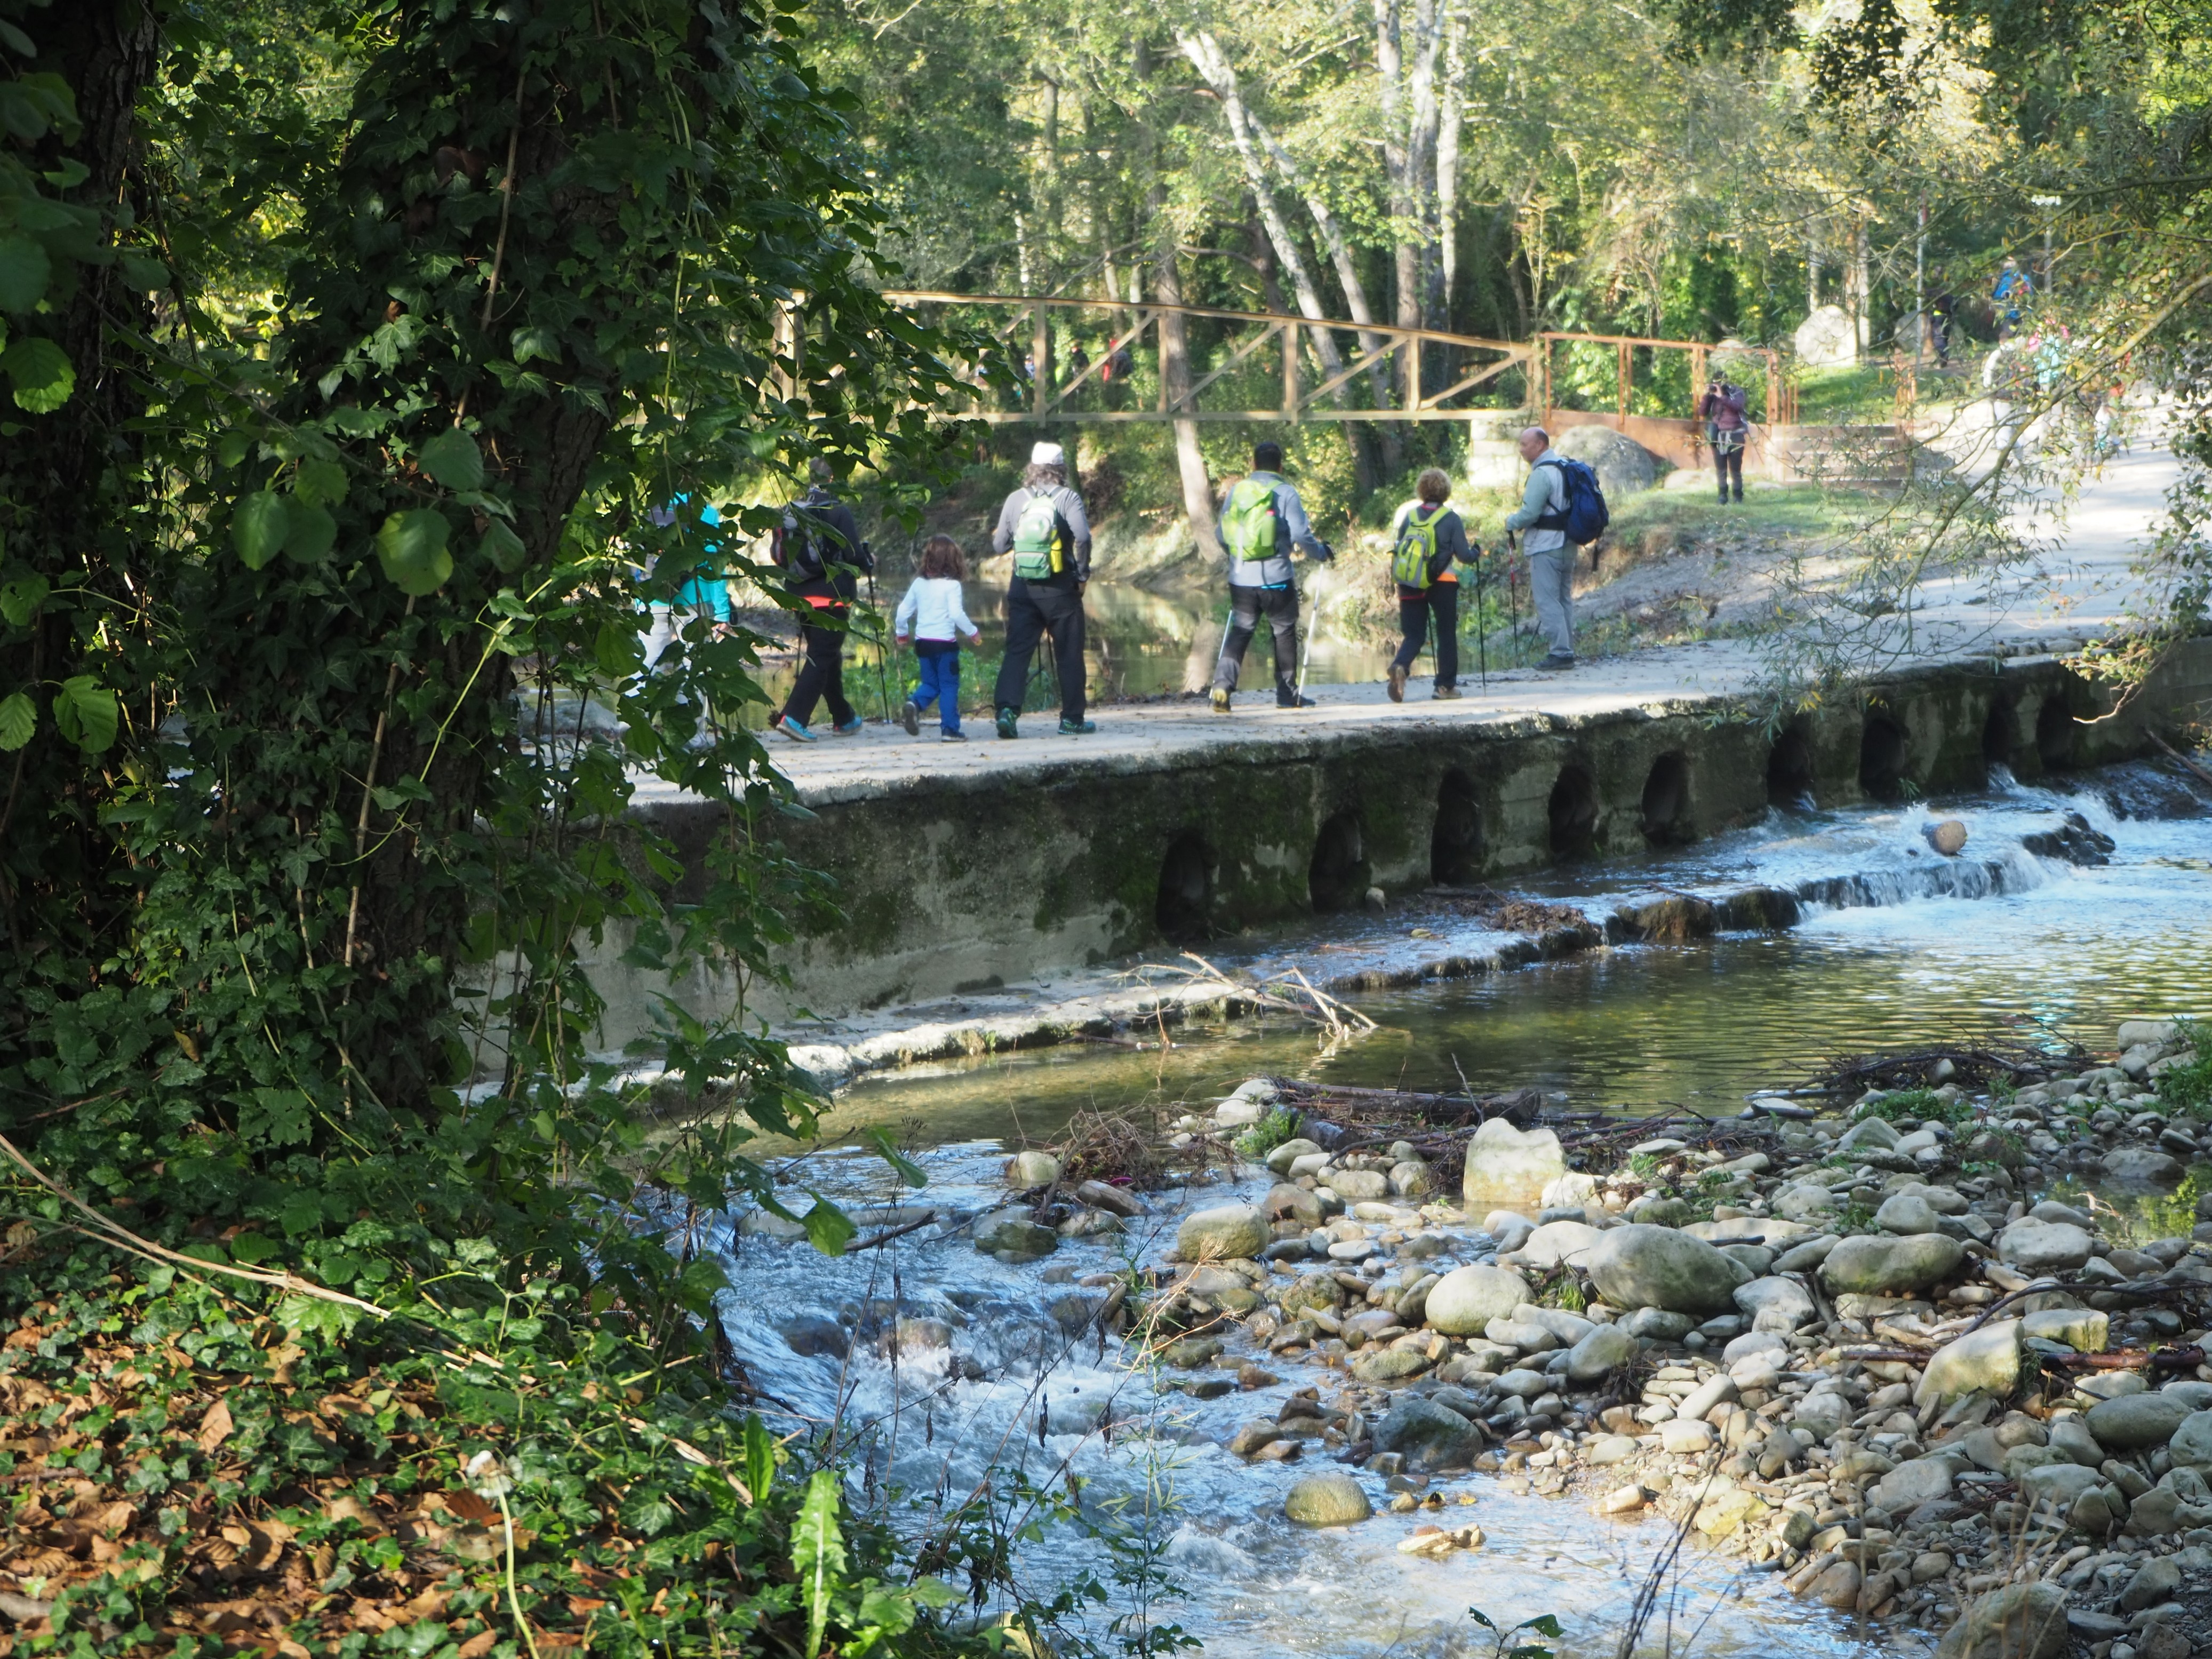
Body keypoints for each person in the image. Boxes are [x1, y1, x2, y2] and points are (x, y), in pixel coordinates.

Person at [1209, 440, 1334, 713]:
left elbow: (1221, 533)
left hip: (1241, 579)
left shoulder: (1238, 491)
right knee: (1284, 632)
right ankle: (1287, 695)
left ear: (1253, 464)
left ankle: (1222, 686)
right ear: (1280, 467)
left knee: (1241, 630)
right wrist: (1321, 553)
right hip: (1277, 579)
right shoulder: (1287, 493)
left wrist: (1236, 557)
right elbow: (1301, 535)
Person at [990, 441, 1093, 737]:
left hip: (1022, 588)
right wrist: (1082, 575)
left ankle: (1007, 712)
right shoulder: (1068, 498)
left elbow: (999, 545)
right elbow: (1084, 538)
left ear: (1032, 469)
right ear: (1062, 469)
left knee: (1017, 652)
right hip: (1060, 589)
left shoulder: (1016, 499)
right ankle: (1072, 720)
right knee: (1069, 654)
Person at [772, 460, 871, 742]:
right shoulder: (837, 510)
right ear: (833, 477)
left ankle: (844, 718)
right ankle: (794, 718)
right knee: (822, 656)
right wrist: (869, 560)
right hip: (832, 596)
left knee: (828, 656)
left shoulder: (792, 511)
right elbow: (853, 555)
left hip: (799, 596)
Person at [1385, 468, 1472, 703]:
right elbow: (1464, 555)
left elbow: (1400, 548)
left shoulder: (1410, 517)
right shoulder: (1451, 518)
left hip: (1410, 582)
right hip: (1442, 583)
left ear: (1421, 490)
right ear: (1446, 491)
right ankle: (1445, 687)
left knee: (1414, 634)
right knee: (1446, 634)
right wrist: (1476, 552)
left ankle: (1400, 665)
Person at [1501, 426, 1577, 671]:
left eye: (1525, 445)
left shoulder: (1542, 474)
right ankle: (1567, 649)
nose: (1521, 450)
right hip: (1569, 544)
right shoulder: (1565, 466)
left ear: (1540, 445)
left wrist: (1510, 522)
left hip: (1546, 546)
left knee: (1547, 601)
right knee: (1563, 599)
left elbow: (1530, 514)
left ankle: (1561, 653)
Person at [892, 535, 981, 741]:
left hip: (923, 643)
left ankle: (915, 704)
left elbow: (903, 611)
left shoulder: (919, 584)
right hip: (945, 645)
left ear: (928, 558)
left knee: (931, 684)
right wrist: (973, 632)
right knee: (949, 686)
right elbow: (956, 614)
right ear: (954, 560)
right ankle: (950, 730)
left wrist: (902, 633)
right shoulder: (952, 586)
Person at [636, 493, 732, 675]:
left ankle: (639, 693)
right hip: (695, 603)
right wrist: (722, 612)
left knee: (646, 669)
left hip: (652, 601)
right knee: (697, 670)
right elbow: (716, 564)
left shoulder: (650, 509)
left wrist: (639, 601)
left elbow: (638, 557)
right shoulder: (706, 512)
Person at [1698, 376, 1750, 504]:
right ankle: (1722, 496)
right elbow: (1702, 412)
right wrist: (1707, 396)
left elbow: (1738, 407)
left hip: (1735, 434)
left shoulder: (1736, 392)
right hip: (1719, 435)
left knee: (1735, 469)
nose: (1717, 386)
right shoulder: (1713, 396)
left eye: (1718, 384)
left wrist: (1722, 396)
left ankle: (1738, 497)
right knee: (1721, 469)